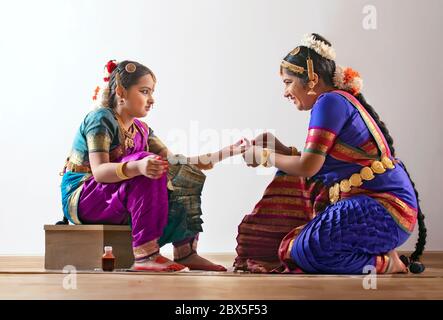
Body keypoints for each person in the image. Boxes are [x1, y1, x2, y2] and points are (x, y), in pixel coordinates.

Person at [235, 34, 426, 274]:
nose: (285, 92)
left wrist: (264, 156)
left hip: (383, 209)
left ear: (312, 80)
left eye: (287, 82)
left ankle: (389, 264)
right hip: (376, 208)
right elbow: (321, 164)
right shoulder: (337, 100)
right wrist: (281, 150)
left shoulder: (329, 102)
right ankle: (379, 252)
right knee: (296, 248)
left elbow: (308, 167)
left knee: (307, 252)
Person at [60, 60, 245, 272]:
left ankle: (186, 252)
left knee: (181, 172)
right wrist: (138, 167)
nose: (151, 100)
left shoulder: (142, 130)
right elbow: (100, 172)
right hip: (83, 196)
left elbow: (176, 162)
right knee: (149, 162)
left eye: (152, 92)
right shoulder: (101, 118)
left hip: (114, 195)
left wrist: (226, 152)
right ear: (121, 91)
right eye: (144, 91)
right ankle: (145, 254)